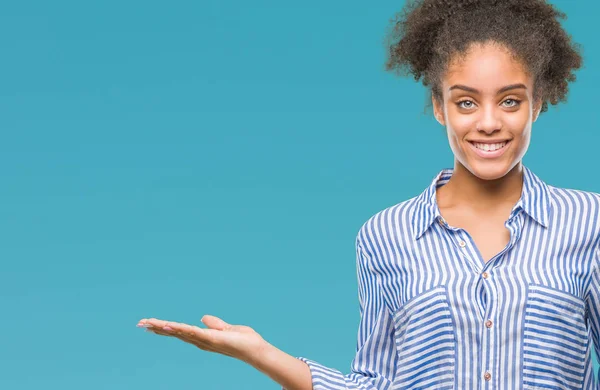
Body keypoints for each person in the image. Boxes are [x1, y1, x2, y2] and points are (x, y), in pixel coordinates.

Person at [137, 0, 600, 389]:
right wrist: (262, 354)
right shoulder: (384, 236)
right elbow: (374, 384)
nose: (488, 122)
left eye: (510, 100)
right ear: (439, 107)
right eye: (465, 101)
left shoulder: (589, 222)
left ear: (539, 102)